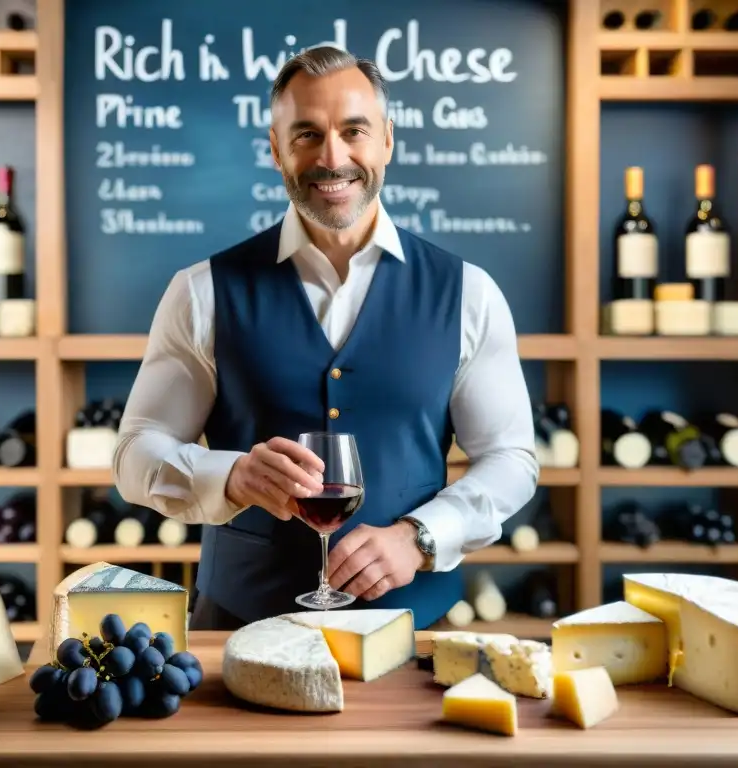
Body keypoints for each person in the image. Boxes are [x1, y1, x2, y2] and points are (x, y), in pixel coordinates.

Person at [113, 46, 539, 631]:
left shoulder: (469, 293)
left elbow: (510, 459)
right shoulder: (200, 291)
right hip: (239, 627)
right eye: (307, 134)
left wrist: (420, 537)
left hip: (409, 631)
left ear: (387, 140)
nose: (332, 157)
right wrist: (230, 476)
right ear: (276, 148)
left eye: (354, 131)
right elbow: (135, 452)